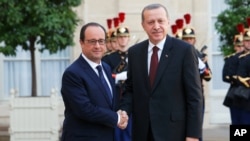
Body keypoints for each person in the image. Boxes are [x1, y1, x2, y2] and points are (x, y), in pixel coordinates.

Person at [119, 3, 203, 141]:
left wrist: (193, 135)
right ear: (143, 25)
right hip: (142, 131)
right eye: (151, 22)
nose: (156, 26)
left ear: (168, 22)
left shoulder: (184, 51)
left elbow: (194, 97)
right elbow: (130, 88)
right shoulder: (135, 52)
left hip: (174, 132)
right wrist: (124, 111)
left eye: (160, 21)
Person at [60, 22, 128, 141]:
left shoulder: (106, 68)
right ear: (81, 43)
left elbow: (110, 102)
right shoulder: (73, 73)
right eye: (92, 41)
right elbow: (85, 109)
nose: (97, 46)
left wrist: (122, 113)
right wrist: (116, 118)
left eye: (101, 41)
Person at [182, 25, 212, 141]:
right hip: (181, 96)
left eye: (190, 39)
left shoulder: (200, 55)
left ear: (194, 40)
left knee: (196, 128)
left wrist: (203, 68)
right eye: (186, 39)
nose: (189, 41)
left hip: (197, 96)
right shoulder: (177, 55)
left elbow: (209, 76)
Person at [102, 24, 132, 141]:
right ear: (117, 39)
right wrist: (117, 77)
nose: (123, 39)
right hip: (115, 97)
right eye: (120, 37)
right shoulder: (109, 58)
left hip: (130, 98)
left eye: (125, 37)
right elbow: (105, 77)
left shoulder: (135, 55)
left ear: (129, 38)